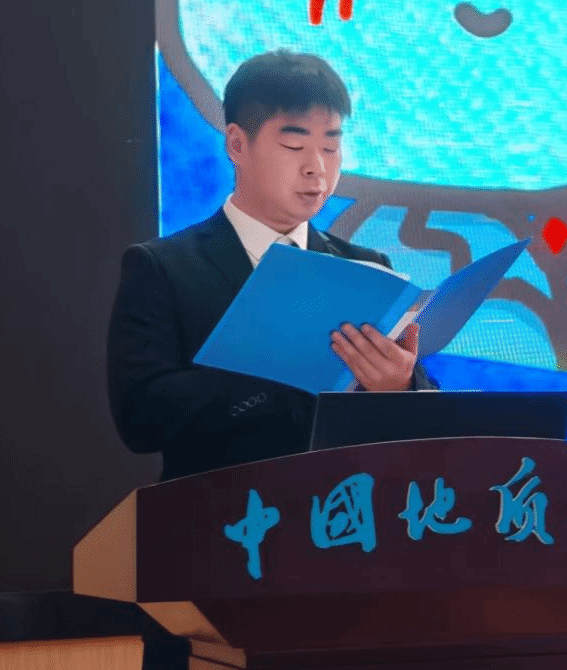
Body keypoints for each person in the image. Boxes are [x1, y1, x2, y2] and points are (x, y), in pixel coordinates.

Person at [106, 49, 439, 670]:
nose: (318, 169)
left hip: (347, 563)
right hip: (216, 559)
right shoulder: (164, 268)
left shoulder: (368, 269)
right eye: (294, 145)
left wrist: (402, 388)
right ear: (237, 143)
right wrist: (280, 372)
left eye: (332, 146)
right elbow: (140, 415)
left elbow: (421, 431)